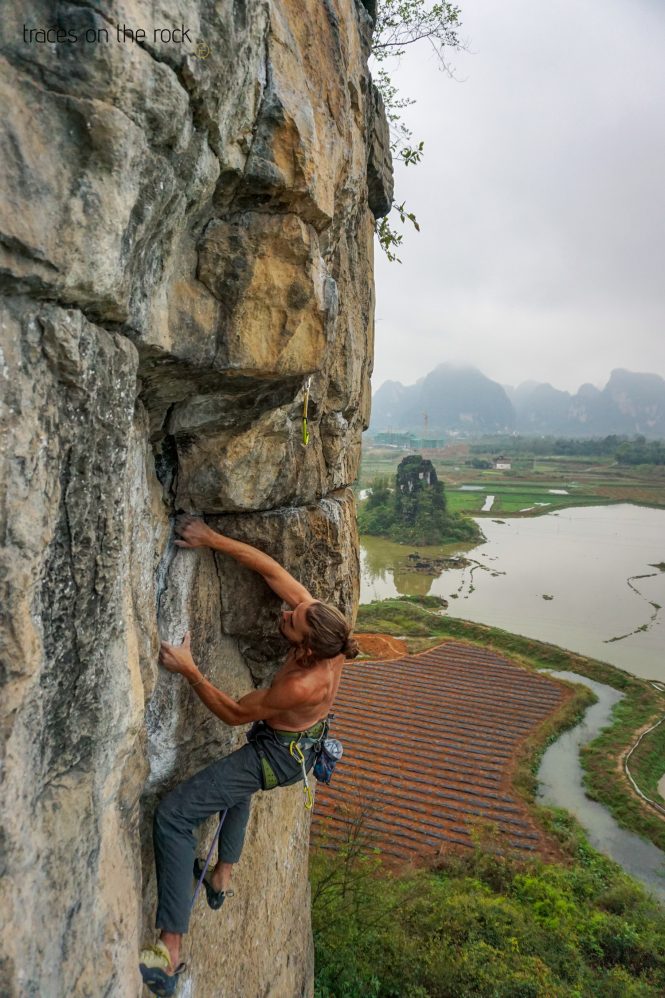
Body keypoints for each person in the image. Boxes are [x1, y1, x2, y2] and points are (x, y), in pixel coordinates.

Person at [139, 515, 359, 996]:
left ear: (306, 650)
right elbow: (272, 571)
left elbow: (236, 714)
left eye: (291, 624)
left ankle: (169, 951)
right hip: (297, 743)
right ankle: (221, 876)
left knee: (175, 815)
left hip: (277, 756)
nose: (284, 614)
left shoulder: (303, 683)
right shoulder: (327, 628)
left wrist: (190, 669)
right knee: (238, 790)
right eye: (294, 612)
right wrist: (211, 539)